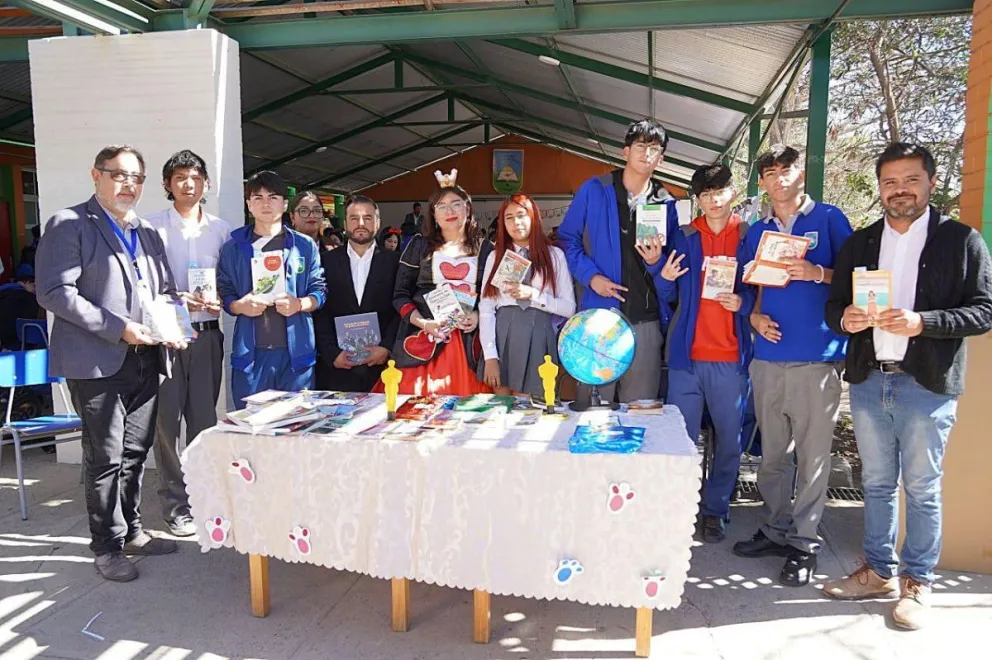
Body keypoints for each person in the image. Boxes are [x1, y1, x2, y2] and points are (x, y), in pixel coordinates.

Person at [822, 143, 992, 629]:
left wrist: (925, 322)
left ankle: (918, 581)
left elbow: (984, 310)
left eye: (910, 180)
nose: (900, 190)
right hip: (871, 380)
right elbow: (833, 307)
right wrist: (847, 319)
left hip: (927, 384)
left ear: (930, 183)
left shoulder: (961, 240)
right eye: (890, 182)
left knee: (921, 488)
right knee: (875, 485)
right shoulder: (861, 242)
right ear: (880, 187)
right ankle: (878, 572)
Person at [35, 144, 186, 581]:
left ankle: (133, 530)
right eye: (118, 175)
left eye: (136, 178)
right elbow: (55, 293)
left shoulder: (147, 233)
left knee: (135, 452)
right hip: (97, 360)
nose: (128, 185)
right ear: (95, 175)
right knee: (104, 456)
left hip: (147, 356)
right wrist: (119, 327)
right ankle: (106, 546)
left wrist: (179, 316)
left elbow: (163, 291)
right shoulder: (69, 224)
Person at [732, 145, 853, 587]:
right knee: (771, 458)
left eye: (786, 170)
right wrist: (753, 316)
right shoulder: (757, 231)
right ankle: (776, 527)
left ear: (801, 173)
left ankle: (805, 544)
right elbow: (747, 286)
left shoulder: (830, 219)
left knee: (813, 458)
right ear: (761, 182)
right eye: (770, 172)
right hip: (767, 359)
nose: (779, 178)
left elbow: (858, 274)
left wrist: (817, 273)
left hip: (816, 360)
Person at [656, 164, 751, 544]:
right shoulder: (684, 237)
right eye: (706, 194)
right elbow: (669, 294)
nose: (714, 200)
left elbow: (763, 291)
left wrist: (743, 303)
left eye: (720, 191)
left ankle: (716, 510)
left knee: (729, 438)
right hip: (687, 358)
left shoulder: (750, 236)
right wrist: (661, 278)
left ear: (733, 193)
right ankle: (680, 508)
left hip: (730, 356)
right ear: (697, 200)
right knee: (681, 438)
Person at [558, 118, 677, 404]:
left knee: (640, 413)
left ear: (660, 159)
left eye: (654, 149)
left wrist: (656, 263)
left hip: (645, 322)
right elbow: (567, 239)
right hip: (597, 320)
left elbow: (670, 271)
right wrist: (590, 277)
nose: (646, 153)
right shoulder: (595, 190)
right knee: (591, 413)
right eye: (640, 145)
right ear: (625, 151)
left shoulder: (666, 202)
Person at [144, 150, 231, 537]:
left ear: (206, 183)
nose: (188, 184)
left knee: (203, 421)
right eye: (179, 177)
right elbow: (142, 285)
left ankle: (205, 498)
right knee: (166, 422)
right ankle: (176, 504)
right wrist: (178, 297)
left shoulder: (221, 230)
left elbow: (230, 282)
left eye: (195, 177)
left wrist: (222, 300)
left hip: (208, 334)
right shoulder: (150, 228)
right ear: (167, 184)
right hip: (167, 337)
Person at [218, 171, 326, 408]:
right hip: (251, 356)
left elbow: (320, 291)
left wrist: (298, 304)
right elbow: (225, 292)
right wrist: (239, 306)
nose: (265, 203)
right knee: (251, 429)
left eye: (273, 197)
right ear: (248, 204)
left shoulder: (304, 246)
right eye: (258, 198)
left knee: (296, 427)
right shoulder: (233, 248)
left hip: (296, 356)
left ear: (285, 204)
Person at [381, 172, 492, 395]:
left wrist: (479, 315)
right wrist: (423, 322)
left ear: (467, 209)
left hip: (471, 345)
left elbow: (495, 295)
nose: (449, 211)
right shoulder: (419, 247)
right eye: (441, 206)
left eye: (456, 204)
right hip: (426, 340)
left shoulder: (486, 248)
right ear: (433, 213)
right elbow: (400, 295)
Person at [479, 193, 575, 401]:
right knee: (503, 408)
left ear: (533, 217)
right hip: (503, 336)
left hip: (539, 335)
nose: (516, 223)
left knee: (531, 409)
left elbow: (569, 308)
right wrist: (490, 356)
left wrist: (533, 295)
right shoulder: (495, 257)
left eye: (521, 215)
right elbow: (486, 309)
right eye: (509, 218)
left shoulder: (554, 256)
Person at [314, 195, 400, 392]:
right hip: (337, 369)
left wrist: (386, 347)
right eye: (354, 218)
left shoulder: (396, 262)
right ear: (345, 223)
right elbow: (320, 311)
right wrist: (332, 353)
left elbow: (400, 308)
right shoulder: (325, 261)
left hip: (383, 369)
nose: (361, 223)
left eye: (368, 218)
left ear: (377, 223)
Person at [0, 263, 41, 350]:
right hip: (21, 346)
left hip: (3, 343)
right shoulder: (28, 298)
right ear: (27, 282)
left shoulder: (3, 292)